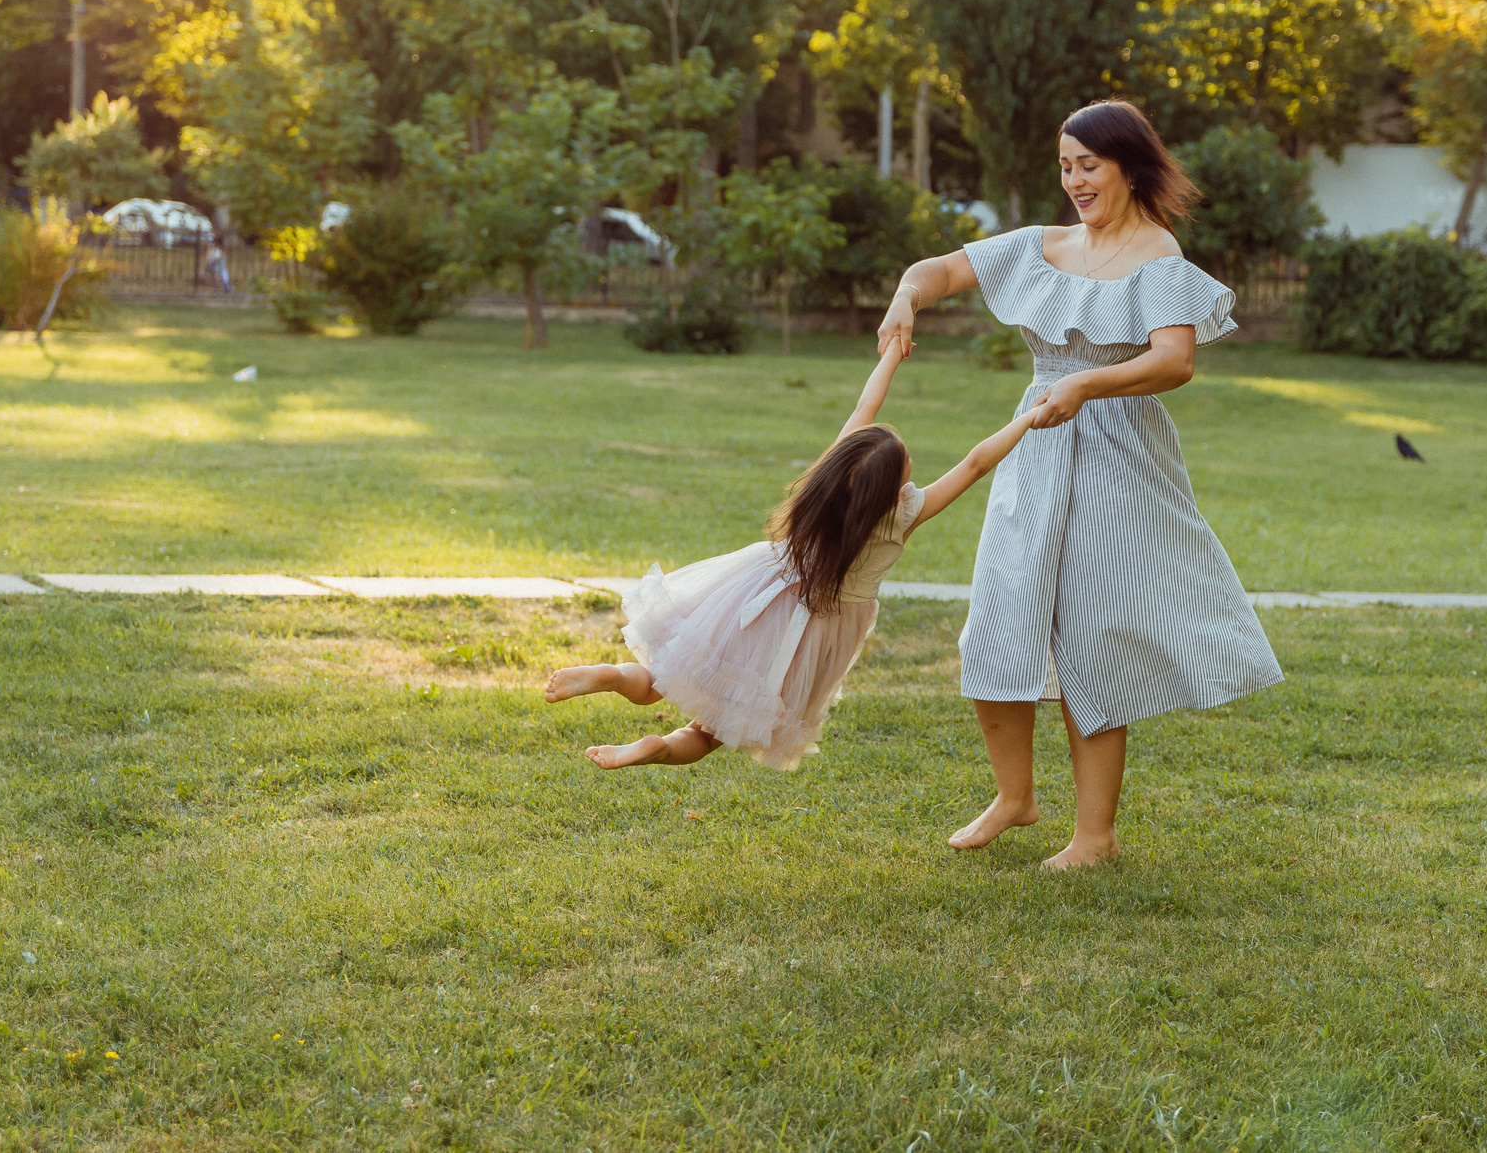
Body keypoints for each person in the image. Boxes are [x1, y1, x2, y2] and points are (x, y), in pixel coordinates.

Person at [875, 98, 1284, 871]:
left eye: (1088, 164)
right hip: (1034, 448)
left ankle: (1094, 837)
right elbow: (942, 270)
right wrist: (907, 295)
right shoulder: (1043, 245)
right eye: (1065, 166)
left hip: (1118, 455)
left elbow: (1174, 360)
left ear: (1129, 164)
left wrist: (1088, 385)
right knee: (999, 614)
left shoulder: (1157, 256)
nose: (1074, 181)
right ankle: (1015, 796)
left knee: (1093, 634)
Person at [545, 338, 1043, 772]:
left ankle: (615, 676)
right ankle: (659, 746)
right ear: (889, 488)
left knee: (664, 673)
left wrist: (892, 354)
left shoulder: (823, 488)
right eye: (907, 464)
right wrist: (1029, 416)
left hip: (756, 592)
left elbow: (864, 406)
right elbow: (976, 463)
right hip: (818, 630)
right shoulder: (902, 513)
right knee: (713, 730)